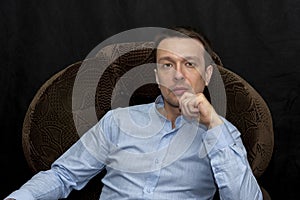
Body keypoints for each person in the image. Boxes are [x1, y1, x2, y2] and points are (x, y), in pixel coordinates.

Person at [5, 26, 263, 200]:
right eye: (167, 64)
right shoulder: (118, 121)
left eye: (190, 64)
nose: (178, 74)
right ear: (156, 75)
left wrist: (213, 124)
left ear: (207, 75)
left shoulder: (223, 133)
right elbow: (63, 176)